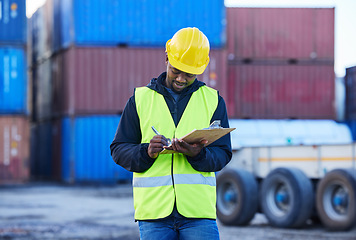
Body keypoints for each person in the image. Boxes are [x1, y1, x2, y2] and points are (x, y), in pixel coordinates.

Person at [110, 27, 232, 240]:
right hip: (154, 214)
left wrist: (198, 155)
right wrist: (146, 152)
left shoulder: (213, 101)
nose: (182, 79)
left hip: (198, 213)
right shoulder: (139, 100)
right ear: (166, 58)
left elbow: (223, 153)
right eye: (176, 70)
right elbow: (119, 149)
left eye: (189, 73)